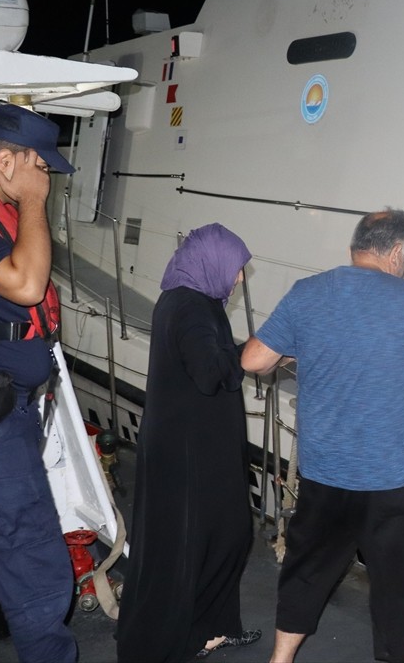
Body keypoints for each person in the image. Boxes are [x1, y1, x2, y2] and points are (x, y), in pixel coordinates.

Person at [241, 210, 404, 663]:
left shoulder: (308, 292)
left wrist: (306, 348)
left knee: (306, 572)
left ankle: (279, 661)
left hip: (325, 473)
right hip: (394, 479)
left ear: (353, 250)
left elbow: (253, 361)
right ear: (397, 252)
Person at [116, 223, 261, 661]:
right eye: (236, 269)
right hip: (188, 453)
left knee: (224, 535)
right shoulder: (188, 306)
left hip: (198, 446)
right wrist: (254, 354)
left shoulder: (199, 301)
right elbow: (208, 371)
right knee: (183, 547)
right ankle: (162, 643)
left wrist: (255, 356)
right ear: (211, 263)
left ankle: (210, 628)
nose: (238, 279)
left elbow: (214, 362)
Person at [0, 104, 76, 663]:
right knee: (38, 574)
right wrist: (34, 199)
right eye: (38, 167)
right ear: (5, 160)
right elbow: (28, 284)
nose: (45, 179)